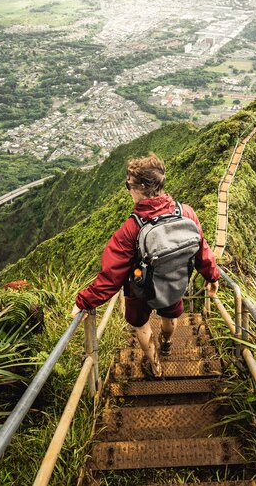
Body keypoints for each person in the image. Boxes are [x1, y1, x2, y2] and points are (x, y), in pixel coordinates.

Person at [70, 153, 220, 377]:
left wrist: (84, 302)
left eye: (128, 185)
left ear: (140, 187)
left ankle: (155, 367)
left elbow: (111, 278)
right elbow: (202, 250)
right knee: (170, 318)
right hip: (174, 283)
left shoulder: (131, 229)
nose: (128, 189)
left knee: (141, 325)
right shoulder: (186, 213)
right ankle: (167, 343)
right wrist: (212, 276)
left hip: (140, 291)